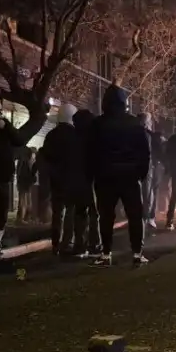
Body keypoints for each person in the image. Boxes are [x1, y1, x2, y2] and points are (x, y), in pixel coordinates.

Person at [0, 91, 47, 273]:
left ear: (1, 107)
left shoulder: (5, 126)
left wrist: (5, 127)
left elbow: (19, 140)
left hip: (3, 181)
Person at [88, 86, 151, 265]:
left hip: (105, 176)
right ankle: (137, 253)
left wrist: (93, 173)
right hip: (130, 176)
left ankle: (106, 253)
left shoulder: (98, 124)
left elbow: (90, 151)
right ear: (125, 103)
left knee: (106, 216)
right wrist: (141, 173)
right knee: (135, 216)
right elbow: (144, 152)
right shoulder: (134, 124)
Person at [40, 104, 89, 255]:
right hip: (71, 180)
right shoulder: (76, 135)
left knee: (57, 212)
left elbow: (46, 158)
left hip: (55, 180)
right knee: (70, 211)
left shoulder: (50, 135)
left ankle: (56, 243)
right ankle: (67, 242)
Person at [72, 109, 101, 255]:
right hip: (92, 179)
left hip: (76, 180)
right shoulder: (94, 138)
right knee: (95, 213)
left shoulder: (73, 137)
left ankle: (79, 245)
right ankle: (95, 244)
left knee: (80, 213)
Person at [139, 113, 165, 229]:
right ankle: (149, 217)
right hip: (151, 167)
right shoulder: (152, 136)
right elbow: (160, 153)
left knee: (146, 192)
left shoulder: (134, 134)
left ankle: (146, 216)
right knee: (150, 192)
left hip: (144, 167)